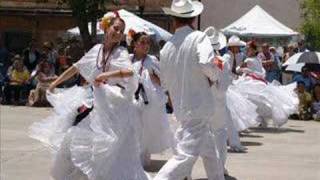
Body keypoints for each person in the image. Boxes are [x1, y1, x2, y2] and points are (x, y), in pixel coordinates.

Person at [29, 11, 150, 180]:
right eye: (116, 28)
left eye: (121, 30)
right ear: (106, 27)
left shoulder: (121, 51)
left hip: (114, 107)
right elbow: (75, 68)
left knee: (110, 150)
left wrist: (105, 76)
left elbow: (130, 72)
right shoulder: (96, 50)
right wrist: (55, 83)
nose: (118, 33)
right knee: (78, 138)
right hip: (96, 104)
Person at [154, 1, 225, 180]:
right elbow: (206, 64)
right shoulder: (199, 37)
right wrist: (215, 75)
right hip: (199, 107)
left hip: (182, 108)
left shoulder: (166, 48)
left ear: (173, 19)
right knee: (184, 157)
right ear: (193, 18)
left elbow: (164, 83)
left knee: (210, 154)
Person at [130, 31, 173, 167]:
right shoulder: (128, 59)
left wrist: (155, 78)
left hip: (148, 101)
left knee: (144, 129)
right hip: (129, 99)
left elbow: (165, 82)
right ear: (134, 44)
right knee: (131, 129)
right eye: (142, 42)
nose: (146, 45)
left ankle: (142, 159)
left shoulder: (152, 60)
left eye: (148, 42)